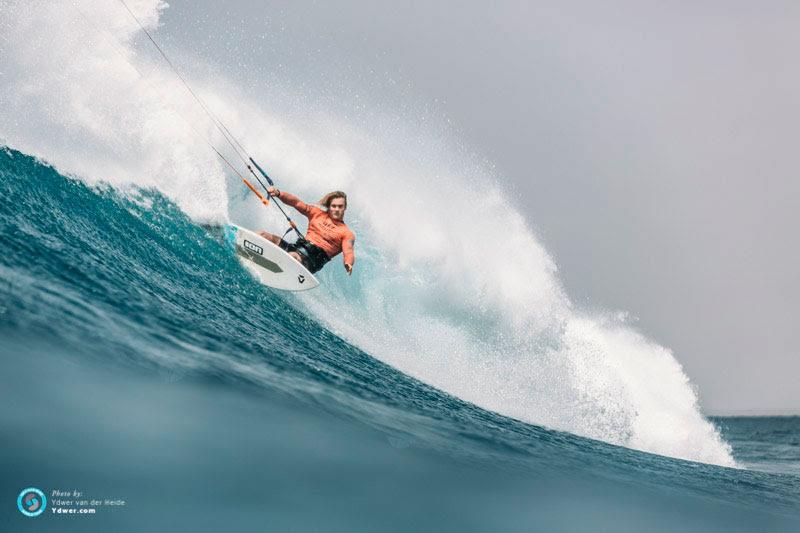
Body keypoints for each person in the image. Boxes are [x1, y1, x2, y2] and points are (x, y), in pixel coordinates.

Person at [259, 188, 355, 275]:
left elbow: (348, 251)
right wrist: (279, 193)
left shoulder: (346, 233)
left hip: (310, 262)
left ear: (345, 208)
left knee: (293, 256)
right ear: (329, 206)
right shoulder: (316, 214)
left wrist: (348, 264)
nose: (337, 209)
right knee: (262, 235)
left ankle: (273, 268)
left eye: (340, 206)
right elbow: (296, 203)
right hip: (296, 249)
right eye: (334, 206)